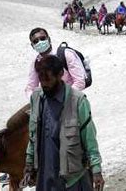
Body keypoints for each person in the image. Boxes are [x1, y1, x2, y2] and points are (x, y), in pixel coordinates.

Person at [22, 55, 104, 191]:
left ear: (60, 74)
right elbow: (33, 135)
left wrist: (96, 171)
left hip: (73, 179)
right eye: (41, 81)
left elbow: (90, 139)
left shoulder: (78, 101)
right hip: (45, 177)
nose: (45, 85)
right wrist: (29, 163)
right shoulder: (37, 98)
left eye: (48, 79)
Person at [25, 28, 86, 98]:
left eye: (42, 38)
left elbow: (80, 82)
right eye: (36, 41)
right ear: (32, 46)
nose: (40, 42)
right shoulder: (36, 62)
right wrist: (35, 101)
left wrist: (63, 98)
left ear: (49, 39)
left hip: (71, 101)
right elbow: (31, 87)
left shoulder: (65, 54)